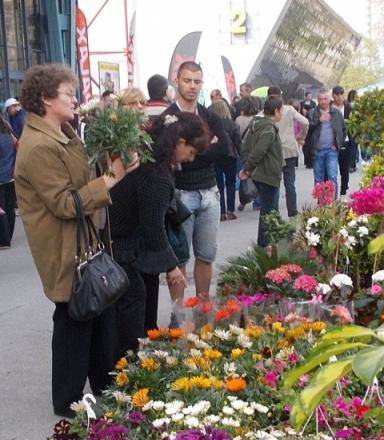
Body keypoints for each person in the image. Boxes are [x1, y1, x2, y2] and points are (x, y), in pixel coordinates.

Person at [14, 63, 140, 418]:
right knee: (74, 318)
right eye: (69, 93)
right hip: (64, 247)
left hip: (84, 243)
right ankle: (68, 399)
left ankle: (103, 388)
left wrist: (111, 163)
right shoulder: (39, 145)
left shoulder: (64, 132)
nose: (75, 99)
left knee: (98, 313)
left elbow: (82, 178)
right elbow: (64, 203)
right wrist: (111, 179)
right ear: (46, 98)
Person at [108, 112, 208, 357]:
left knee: (144, 292)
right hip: (122, 244)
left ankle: (142, 349)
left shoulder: (147, 157)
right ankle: (130, 358)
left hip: (124, 239)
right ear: (180, 142)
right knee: (135, 298)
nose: (191, 158)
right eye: (191, 152)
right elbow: (154, 228)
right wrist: (173, 267)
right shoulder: (157, 176)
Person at [162, 61, 231, 304]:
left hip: (210, 193)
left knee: (206, 255)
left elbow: (223, 150)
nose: (192, 86)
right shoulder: (167, 118)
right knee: (179, 259)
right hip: (180, 194)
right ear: (177, 81)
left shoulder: (210, 116)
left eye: (197, 81)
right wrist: (205, 148)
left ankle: (203, 310)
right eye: (187, 80)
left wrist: (188, 153)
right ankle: (178, 315)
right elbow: (166, 155)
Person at [239, 97, 284, 248]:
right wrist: (248, 168)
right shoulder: (269, 129)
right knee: (268, 209)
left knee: (269, 208)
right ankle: (265, 243)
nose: (282, 114)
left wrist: (248, 166)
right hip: (268, 174)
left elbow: (244, 148)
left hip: (260, 174)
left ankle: (273, 238)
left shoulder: (256, 125)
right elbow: (259, 150)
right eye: (281, 110)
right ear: (276, 111)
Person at [267, 87, 307, 217]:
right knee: (290, 183)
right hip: (289, 149)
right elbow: (305, 122)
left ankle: (274, 214)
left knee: (274, 184)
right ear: (281, 95)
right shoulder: (289, 110)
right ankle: (292, 211)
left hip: (272, 151)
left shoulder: (264, 113)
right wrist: (300, 136)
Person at [307, 89, 346, 198]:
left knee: (332, 176)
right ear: (317, 100)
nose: (323, 101)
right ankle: (321, 202)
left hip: (331, 150)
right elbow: (308, 130)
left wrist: (339, 144)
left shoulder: (336, 113)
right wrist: (319, 120)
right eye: (320, 99)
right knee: (318, 178)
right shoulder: (312, 113)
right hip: (317, 150)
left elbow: (344, 129)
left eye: (325, 99)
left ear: (329, 99)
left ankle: (333, 203)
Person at [208, 99, 242, 221]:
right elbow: (238, 142)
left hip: (215, 157)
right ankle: (230, 210)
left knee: (219, 185)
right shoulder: (232, 124)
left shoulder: (210, 125)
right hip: (230, 156)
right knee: (231, 183)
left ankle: (221, 212)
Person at [331, 85, 355, 196]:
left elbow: (354, 123)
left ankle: (343, 190)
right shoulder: (329, 108)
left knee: (344, 168)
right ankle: (331, 193)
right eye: (337, 94)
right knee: (331, 170)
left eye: (342, 94)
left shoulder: (349, 107)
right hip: (331, 143)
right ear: (333, 96)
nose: (340, 97)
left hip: (345, 142)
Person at [0, 118, 16, 248]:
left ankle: (4, 239)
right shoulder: (8, 132)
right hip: (11, 175)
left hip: (1, 177)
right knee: (10, 208)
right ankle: (9, 234)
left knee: (1, 208)